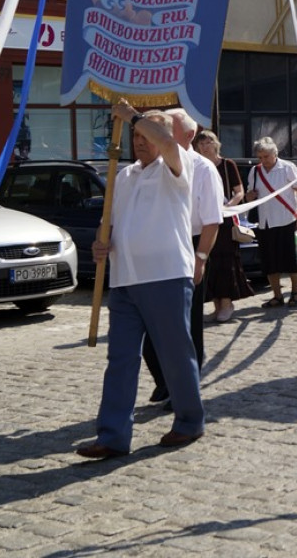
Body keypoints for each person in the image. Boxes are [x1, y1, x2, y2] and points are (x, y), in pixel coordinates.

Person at [78, 103, 204, 458]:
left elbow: (167, 144)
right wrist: (103, 243)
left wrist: (134, 116)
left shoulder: (178, 166)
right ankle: (113, 434)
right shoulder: (124, 174)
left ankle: (189, 420)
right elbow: (113, 222)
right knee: (120, 359)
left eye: (146, 134)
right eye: (135, 136)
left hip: (166, 275)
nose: (140, 140)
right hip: (124, 278)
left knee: (175, 355)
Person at [142, 108, 222, 406]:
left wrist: (201, 257)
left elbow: (212, 220)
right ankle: (165, 380)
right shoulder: (153, 166)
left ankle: (185, 389)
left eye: (166, 130)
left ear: (188, 135)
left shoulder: (203, 169)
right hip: (159, 246)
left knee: (187, 326)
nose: (157, 136)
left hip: (191, 245)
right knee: (150, 325)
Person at [195, 130, 254, 323]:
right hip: (204, 219)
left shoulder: (227, 165)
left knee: (225, 261)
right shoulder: (197, 166)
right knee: (210, 262)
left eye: (208, 142)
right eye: (201, 143)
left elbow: (239, 192)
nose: (204, 147)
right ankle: (217, 304)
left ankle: (227, 303)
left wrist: (226, 207)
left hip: (224, 219)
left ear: (215, 144)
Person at [246, 137, 297, 308]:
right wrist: (249, 196)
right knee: (268, 261)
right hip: (265, 221)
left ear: (275, 153)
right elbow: (249, 195)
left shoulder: (287, 168)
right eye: (260, 157)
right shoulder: (255, 171)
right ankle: (277, 295)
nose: (263, 161)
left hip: (285, 219)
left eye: (266, 156)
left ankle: (295, 291)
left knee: (289, 258)